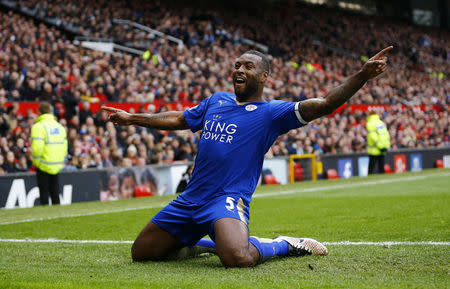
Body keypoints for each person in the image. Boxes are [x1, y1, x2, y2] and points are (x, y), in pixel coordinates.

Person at [102, 46, 392, 267]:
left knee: (237, 257)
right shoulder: (216, 100)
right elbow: (180, 119)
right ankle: (203, 244)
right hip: (192, 197)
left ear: (264, 77)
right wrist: (132, 119)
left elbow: (325, 104)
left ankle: (284, 244)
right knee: (140, 254)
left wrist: (362, 75)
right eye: (237, 65)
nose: (239, 70)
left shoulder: (271, 113)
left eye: (248, 66)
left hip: (226, 198)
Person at [31, 102, 68, 205]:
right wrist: (60, 161)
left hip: (43, 164)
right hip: (56, 164)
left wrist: (37, 162)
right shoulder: (59, 126)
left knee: (44, 194)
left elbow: (37, 147)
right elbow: (64, 145)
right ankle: (58, 217)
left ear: (39, 112)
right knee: (55, 192)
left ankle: (46, 216)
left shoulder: (38, 127)